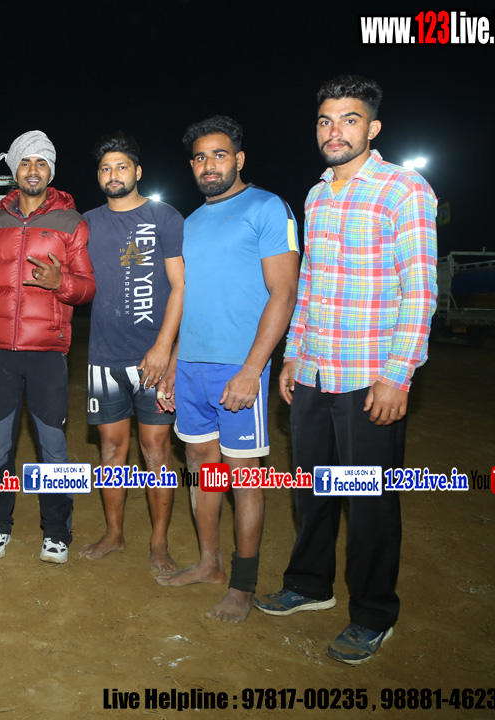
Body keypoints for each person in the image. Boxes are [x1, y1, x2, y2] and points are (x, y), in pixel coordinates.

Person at [253, 75, 437, 665]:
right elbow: (310, 284)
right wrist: (293, 354)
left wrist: (397, 375)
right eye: (326, 121)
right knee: (312, 490)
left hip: (368, 377)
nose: (335, 131)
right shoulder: (317, 195)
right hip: (315, 373)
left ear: (373, 128)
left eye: (349, 120)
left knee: (370, 504)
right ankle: (310, 585)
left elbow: (420, 290)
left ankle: (373, 613)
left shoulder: (404, 189)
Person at [155, 116, 299, 625]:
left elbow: (284, 292)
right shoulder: (190, 223)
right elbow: (188, 299)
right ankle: (209, 563)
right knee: (201, 467)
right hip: (191, 368)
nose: (208, 165)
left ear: (238, 159)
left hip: (239, 369)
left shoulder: (267, 207)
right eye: (200, 157)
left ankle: (243, 584)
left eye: (219, 155)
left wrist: (253, 368)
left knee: (244, 478)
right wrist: (173, 365)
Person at [0, 130, 95, 564]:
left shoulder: (71, 221)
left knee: (53, 447)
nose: (33, 170)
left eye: (41, 162)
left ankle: (57, 532)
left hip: (47, 352)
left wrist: (60, 282)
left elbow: (87, 287)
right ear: (15, 170)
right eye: (25, 162)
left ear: (51, 171)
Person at [78, 132, 185, 573]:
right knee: (110, 450)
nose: (113, 174)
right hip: (104, 359)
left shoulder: (164, 217)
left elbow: (180, 286)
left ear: (137, 171)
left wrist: (164, 349)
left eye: (121, 166)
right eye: (105, 168)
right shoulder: (87, 223)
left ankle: (159, 541)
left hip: (151, 360)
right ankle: (115, 533)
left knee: (155, 451)